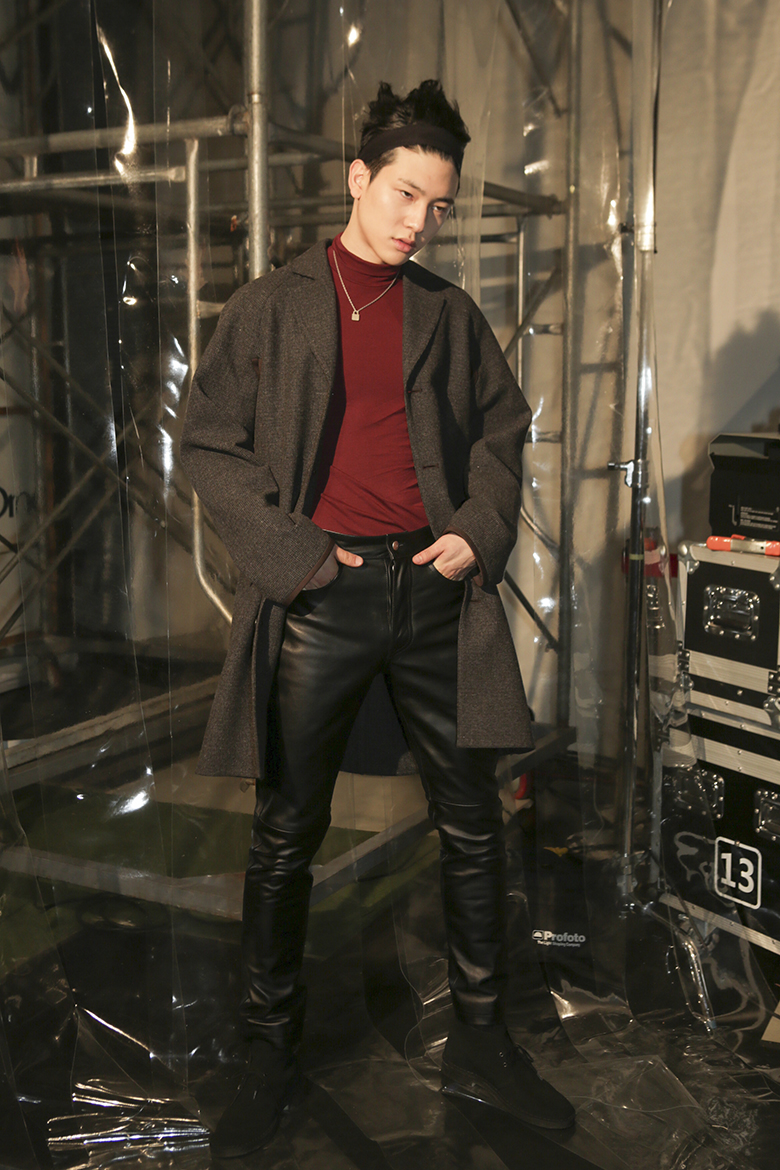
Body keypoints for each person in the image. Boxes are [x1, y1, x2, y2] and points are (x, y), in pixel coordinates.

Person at [181, 78, 574, 1158]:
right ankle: (268, 1055)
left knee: (473, 822)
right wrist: (296, 556)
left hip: (435, 591)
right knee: (286, 833)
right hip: (325, 591)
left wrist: (480, 529)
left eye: (437, 206)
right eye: (404, 195)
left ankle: (483, 1044)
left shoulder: (448, 312)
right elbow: (207, 443)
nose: (418, 222)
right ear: (357, 179)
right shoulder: (272, 305)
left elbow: (502, 429)